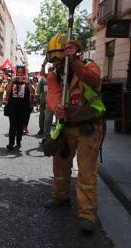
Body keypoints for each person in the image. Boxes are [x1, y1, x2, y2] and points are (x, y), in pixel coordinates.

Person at [43, 33, 105, 234]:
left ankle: (87, 215)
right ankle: (61, 197)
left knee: (87, 172)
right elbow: (52, 93)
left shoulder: (88, 66)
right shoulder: (55, 74)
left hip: (89, 126)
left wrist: (75, 63)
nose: (56, 64)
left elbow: (93, 81)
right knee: (60, 165)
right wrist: (55, 107)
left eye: (59, 59)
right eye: (53, 60)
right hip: (67, 127)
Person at [4, 65, 31, 150]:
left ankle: (18, 141)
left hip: (23, 107)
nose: (20, 74)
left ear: (24, 73)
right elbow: (7, 91)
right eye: (18, 72)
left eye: (21, 72)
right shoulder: (13, 80)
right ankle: (11, 143)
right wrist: (12, 82)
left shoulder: (27, 81)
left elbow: (33, 91)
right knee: (12, 125)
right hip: (13, 106)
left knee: (20, 126)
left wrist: (28, 83)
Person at [40, 66, 55, 144]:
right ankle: (46, 137)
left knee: (59, 122)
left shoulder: (59, 76)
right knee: (47, 120)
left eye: (52, 70)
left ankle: (57, 138)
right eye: (49, 70)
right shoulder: (47, 79)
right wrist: (44, 64)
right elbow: (42, 74)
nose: (51, 72)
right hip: (48, 103)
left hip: (58, 102)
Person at [36, 59, 48, 136]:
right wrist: (37, 98)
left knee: (46, 115)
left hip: (52, 100)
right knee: (43, 115)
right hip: (44, 100)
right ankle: (42, 129)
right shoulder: (43, 80)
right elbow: (38, 90)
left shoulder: (56, 78)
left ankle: (45, 130)